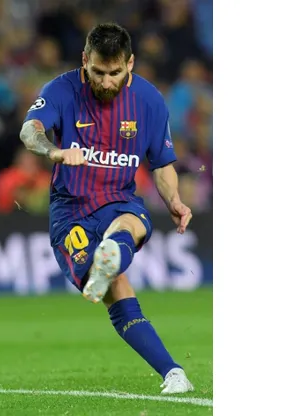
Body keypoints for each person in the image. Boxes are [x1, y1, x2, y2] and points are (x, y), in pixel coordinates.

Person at [19, 23, 194, 394]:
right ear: (85, 60)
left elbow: (162, 163)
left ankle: (175, 375)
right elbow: (29, 131)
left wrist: (174, 200)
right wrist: (54, 151)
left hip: (118, 199)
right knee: (116, 289)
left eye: (115, 73)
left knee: (131, 223)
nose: (106, 81)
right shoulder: (61, 90)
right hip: (70, 210)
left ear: (130, 63)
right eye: (98, 72)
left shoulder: (149, 100)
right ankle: (108, 264)